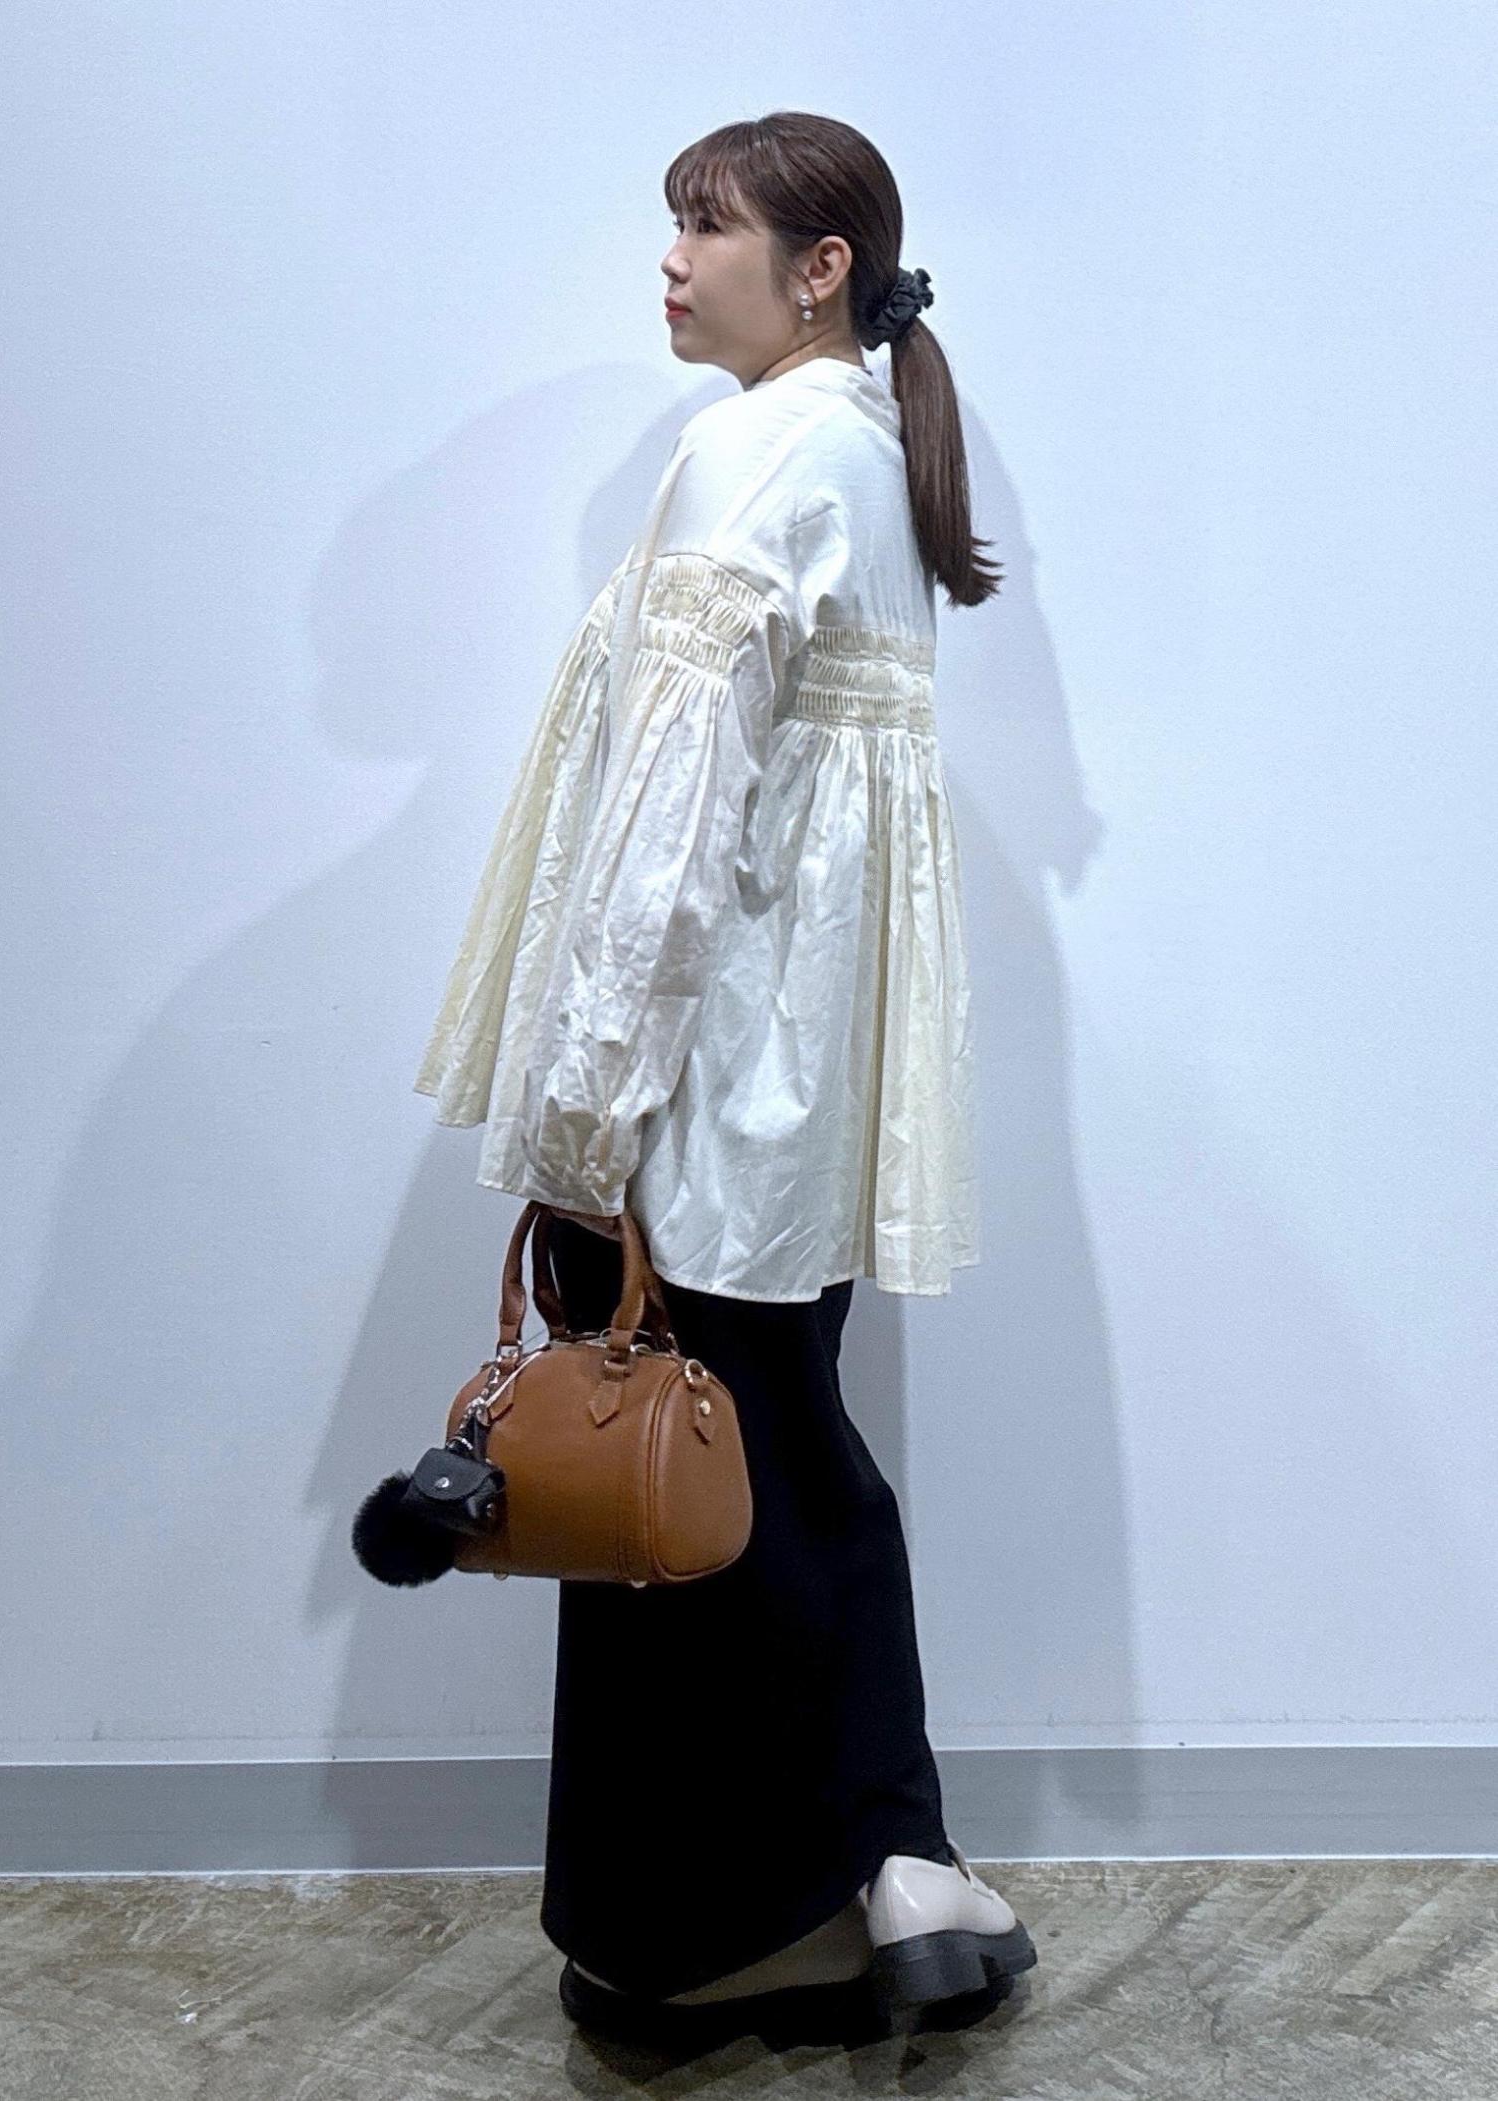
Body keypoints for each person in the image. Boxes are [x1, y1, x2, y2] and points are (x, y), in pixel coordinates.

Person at [412, 111, 1038, 2046]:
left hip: (694, 1093)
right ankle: (886, 1869)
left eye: (709, 225)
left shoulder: (753, 451)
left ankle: (699, 1944)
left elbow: (671, 825)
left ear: (822, 266)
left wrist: (587, 1115)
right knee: (773, 1474)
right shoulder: (859, 453)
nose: (672, 261)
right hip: (793, 1094)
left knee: (686, 1505)